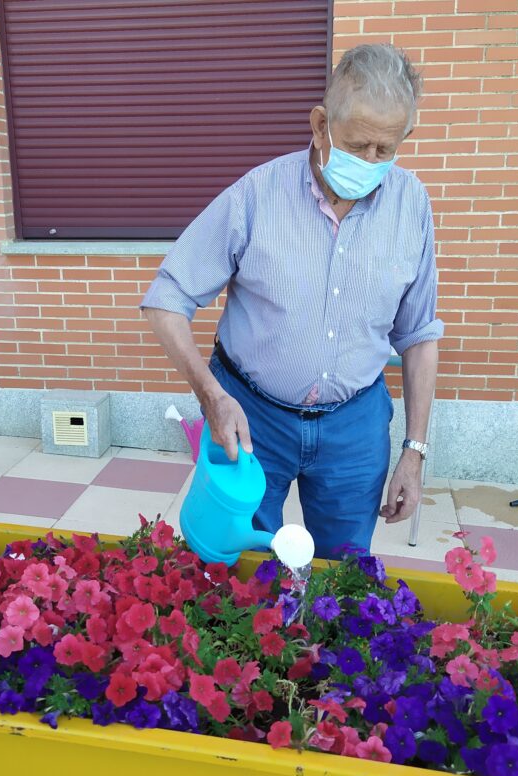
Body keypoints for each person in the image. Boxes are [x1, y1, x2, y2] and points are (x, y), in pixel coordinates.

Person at [140, 43, 443, 559]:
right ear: (322, 125)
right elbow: (166, 298)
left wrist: (414, 451)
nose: (371, 162)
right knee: (238, 570)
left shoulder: (411, 205)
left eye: (385, 150)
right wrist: (213, 396)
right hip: (252, 416)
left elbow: (417, 336)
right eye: (358, 144)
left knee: (343, 577)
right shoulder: (257, 195)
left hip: (355, 425)